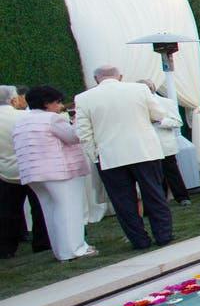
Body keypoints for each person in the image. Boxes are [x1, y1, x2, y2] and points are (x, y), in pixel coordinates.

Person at [74, 66, 176, 247]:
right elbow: (159, 114)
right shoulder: (139, 89)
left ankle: (139, 240)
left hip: (111, 156)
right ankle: (164, 234)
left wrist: (95, 155)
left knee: (123, 202)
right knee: (154, 194)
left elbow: (83, 133)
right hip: (144, 151)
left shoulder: (84, 98)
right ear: (120, 76)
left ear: (96, 79)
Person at [11, 85, 95, 261]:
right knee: (68, 209)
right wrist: (77, 121)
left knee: (50, 211)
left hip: (33, 173)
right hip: (59, 171)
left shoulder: (22, 121)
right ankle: (75, 249)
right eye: (57, 102)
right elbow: (73, 137)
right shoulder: (52, 119)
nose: (60, 106)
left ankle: (61, 251)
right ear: (47, 104)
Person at [0, 85, 49, 258]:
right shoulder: (25, 117)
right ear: (13, 99)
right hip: (32, 167)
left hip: (5, 171)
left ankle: (6, 248)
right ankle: (42, 242)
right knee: (39, 206)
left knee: (7, 211)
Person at [139, 80, 191, 206]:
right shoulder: (137, 106)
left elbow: (178, 122)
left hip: (165, 145)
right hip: (147, 146)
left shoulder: (166, 102)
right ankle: (160, 200)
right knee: (153, 175)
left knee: (172, 172)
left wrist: (160, 121)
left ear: (153, 88)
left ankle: (182, 197)